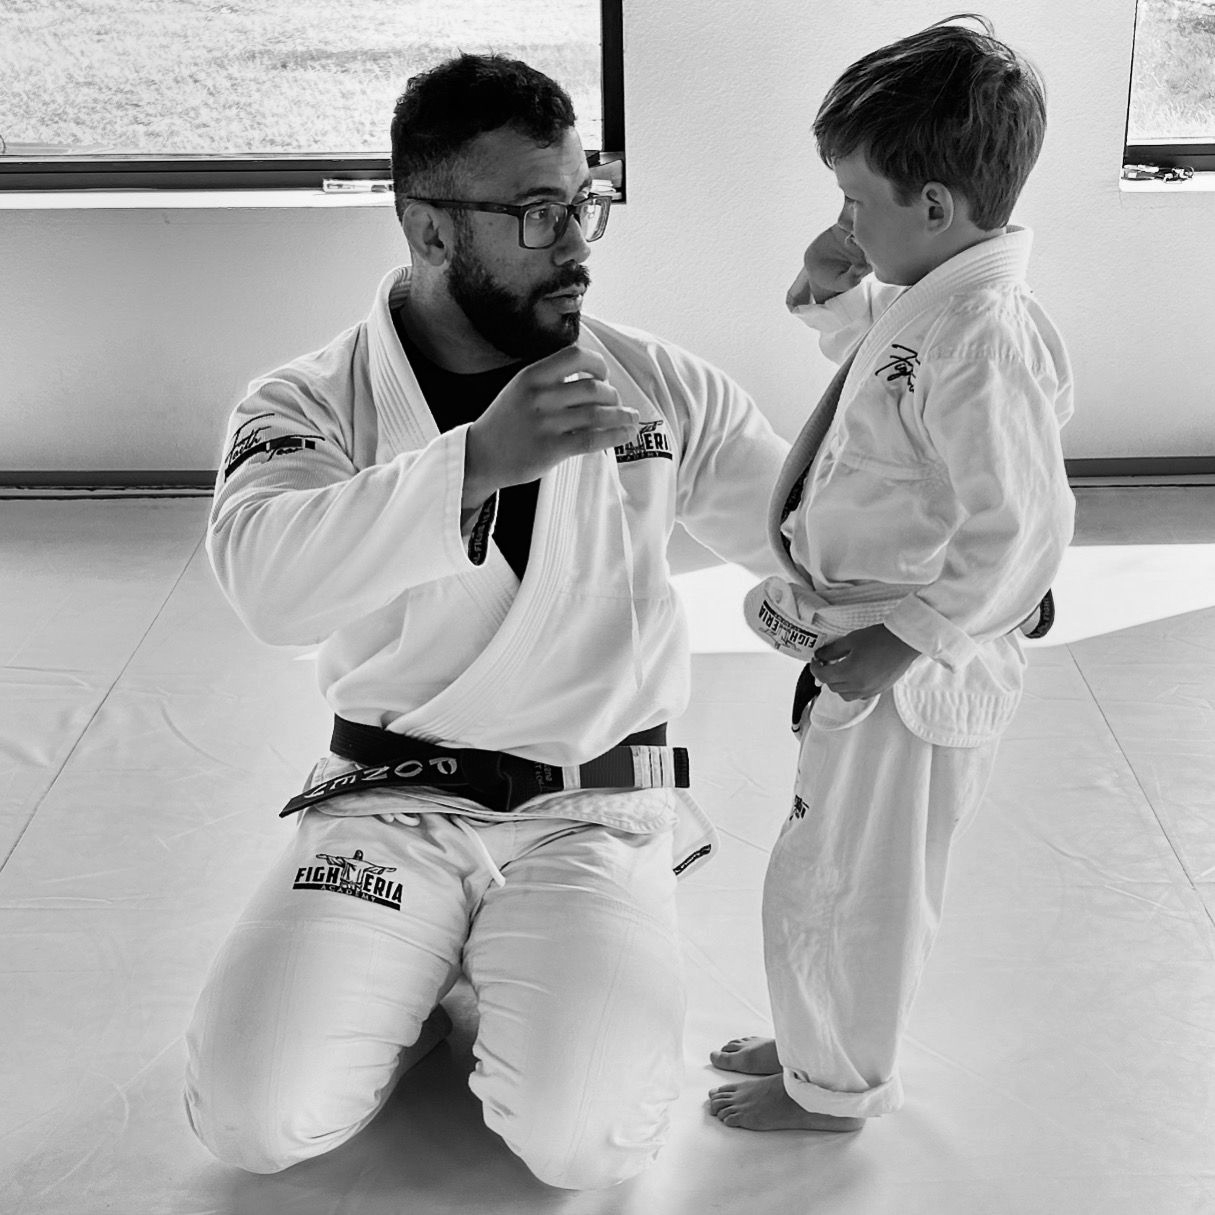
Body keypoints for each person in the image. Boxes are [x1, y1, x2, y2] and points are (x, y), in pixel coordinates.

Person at [183, 53, 788, 1190]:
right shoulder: (308, 402)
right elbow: (269, 583)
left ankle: (475, 973)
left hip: (589, 814)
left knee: (586, 1141)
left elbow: (810, 532)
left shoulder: (657, 390)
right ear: (429, 227)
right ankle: (419, 988)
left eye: (582, 200)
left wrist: (892, 377)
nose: (577, 242)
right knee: (250, 1119)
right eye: (536, 211)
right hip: (386, 811)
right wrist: (475, 466)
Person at [708, 15, 1074, 1132]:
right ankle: (817, 1036)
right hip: (872, 646)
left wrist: (905, 637)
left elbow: (1021, 528)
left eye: (855, 203)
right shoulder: (936, 306)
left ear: (935, 208)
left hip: (911, 672)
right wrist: (836, 294)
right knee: (822, 856)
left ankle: (836, 1087)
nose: (841, 220)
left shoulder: (985, 333)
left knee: (862, 885)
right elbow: (889, 392)